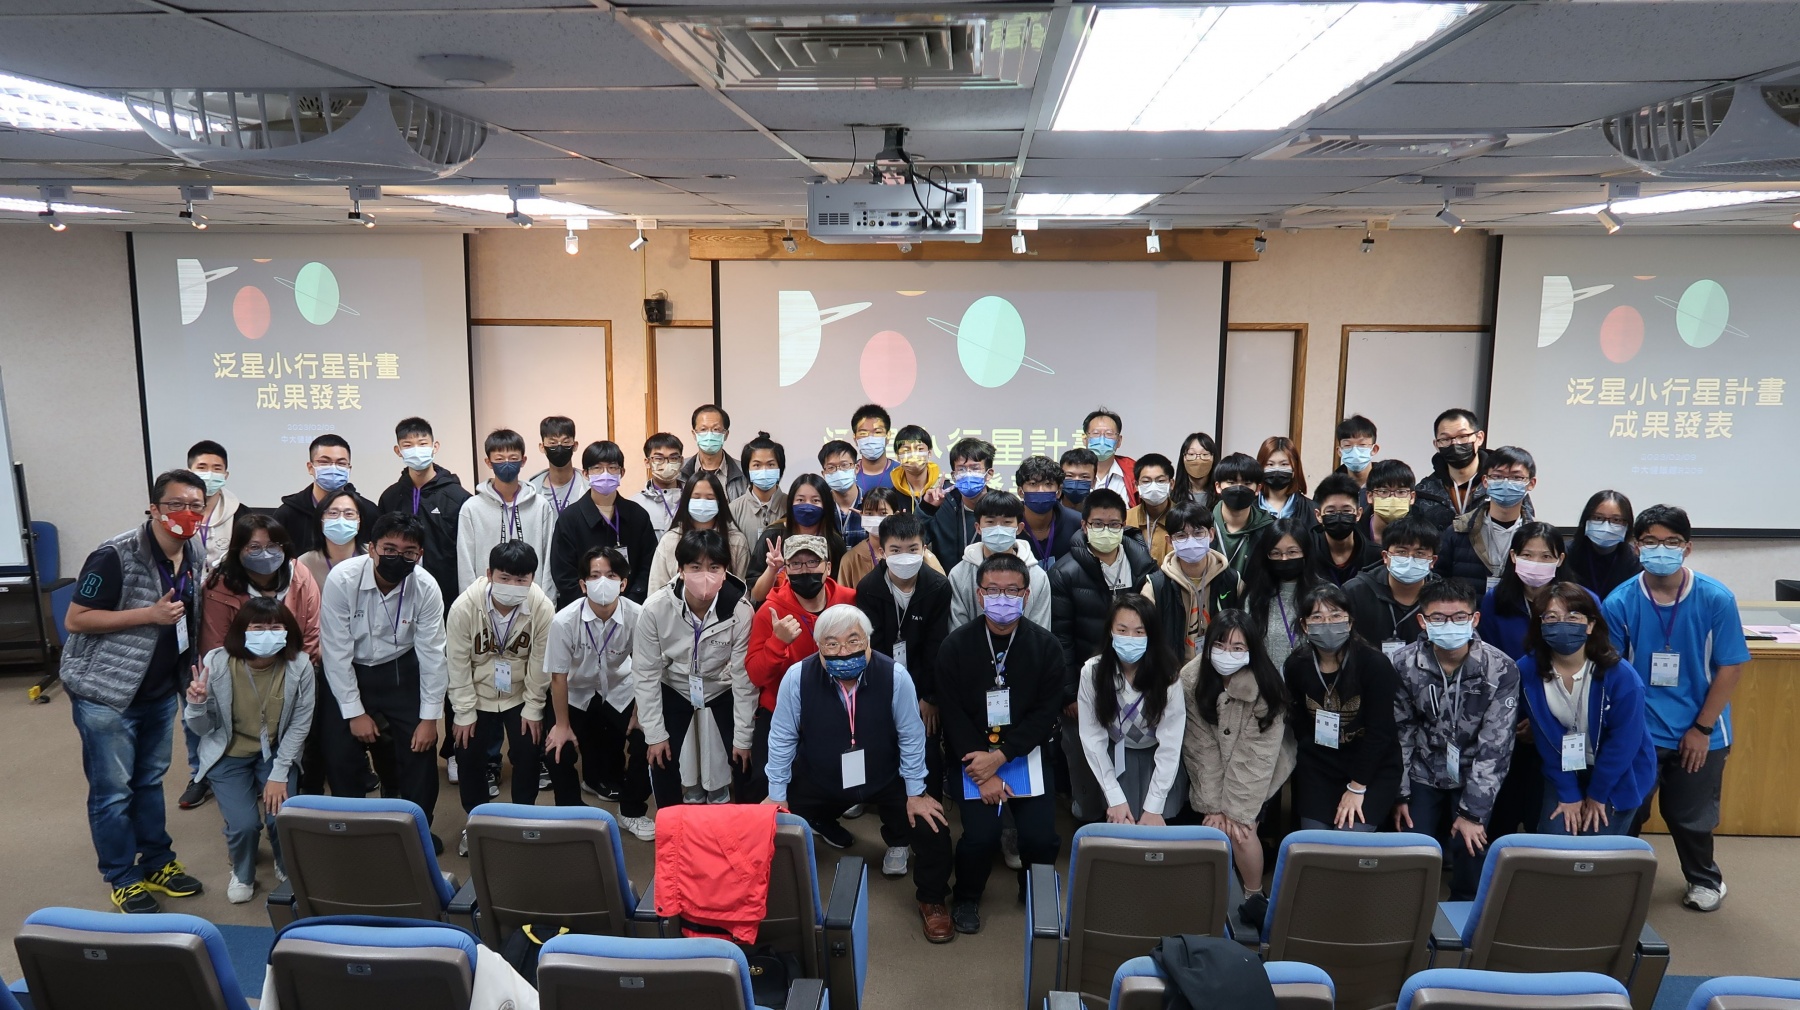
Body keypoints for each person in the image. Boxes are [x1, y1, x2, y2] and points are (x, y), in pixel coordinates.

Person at [62, 469, 210, 913]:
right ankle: (122, 877)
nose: (186, 513)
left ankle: (157, 862)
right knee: (113, 792)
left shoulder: (194, 549)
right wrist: (148, 614)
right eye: (176, 505)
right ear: (154, 509)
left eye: (196, 506)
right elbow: (76, 619)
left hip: (159, 690)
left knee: (149, 781)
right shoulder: (114, 555)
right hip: (106, 693)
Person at [764, 604, 955, 941]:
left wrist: (916, 793)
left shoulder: (896, 676)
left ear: (868, 640)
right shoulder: (797, 677)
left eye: (853, 641)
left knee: (933, 825)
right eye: (832, 643)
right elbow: (782, 737)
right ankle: (775, 904)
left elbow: (912, 737)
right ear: (818, 646)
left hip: (884, 777)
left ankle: (932, 899)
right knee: (767, 826)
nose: (843, 652)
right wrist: (777, 795)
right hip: (819, 778)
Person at [1604, 505, 1748, 912]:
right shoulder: (1620, 601)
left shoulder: (1715, 598)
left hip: (1701, 728)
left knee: (1690, 816)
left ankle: (1705, 881)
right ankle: (1616, 880)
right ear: (1636, 546)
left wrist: (1701, 729)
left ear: (1687, 548)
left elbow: (1731, 666)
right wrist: (1625, 732)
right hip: (1640, 730)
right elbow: (1611, 670)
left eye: (1671, 542)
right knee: (1627, 810)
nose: (1660, 549)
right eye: (1650, 541)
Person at [936, 553, 1065, 935]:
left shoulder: (1046, 647)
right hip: (971, 754)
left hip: (1025, 753)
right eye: (993, 590)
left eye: (1012, 591)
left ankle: (1034, 891)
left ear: (1026, 595)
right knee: (981, 836)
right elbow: (952, 714)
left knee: (1041, 836)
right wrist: (983, 769)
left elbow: (1045, 714)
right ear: (979, 595)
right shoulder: (955, 646)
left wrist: (1002, 757)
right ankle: (967, 896)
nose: (1002, 598)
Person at [317, 512, 449, 840]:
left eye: (409, 553)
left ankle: (416, 832)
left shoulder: (426, 586)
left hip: (401, 669)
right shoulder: (342, 579)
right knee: (340, 755)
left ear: (419, 555)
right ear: (372, 548)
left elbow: (433, 654)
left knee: (420, 751)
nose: (397, 558)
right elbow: (336, 651)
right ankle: (353, 833)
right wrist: (354, 712)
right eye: (389, 549)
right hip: (350, 670)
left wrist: (430, 719)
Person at [1391, 579, 1520, 901]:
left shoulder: (1501, 668)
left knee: (1470, 843)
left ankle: (1465, 908)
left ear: (1474, 619)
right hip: (1422, 767)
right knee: (1411, 846)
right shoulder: (1403, 663)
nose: (1449, 625)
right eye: (1438, 618)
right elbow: (1401, 733)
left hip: (1473, 770)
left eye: (1459, 617)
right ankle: (1408, 909)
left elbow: (1496, 747)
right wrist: (1400, 793)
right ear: (1422, 621)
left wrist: (1473, 813)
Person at [183, 596, 314, 903]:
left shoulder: (300, 665)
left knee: (281, 816)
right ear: (242, 630)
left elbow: (300, 724)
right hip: (228, 754)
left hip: (275, 752)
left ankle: (285, 862)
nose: (267, 634)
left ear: (287, 631)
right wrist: (196, 705)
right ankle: (242, 872)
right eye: (257, 627)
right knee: (244, 825)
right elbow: (202, 730)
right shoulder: (217, 663)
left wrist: (279, 773)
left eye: (275, 627)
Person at [190, 513, 320, 812]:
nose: (266, 553)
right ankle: (219, 775)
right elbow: (216, 643)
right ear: (239, 550)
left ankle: (293, 775)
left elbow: (312, 630)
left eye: (273, 545)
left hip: (292, 666)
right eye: (254, 547)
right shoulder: (220, 583)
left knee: (299, 723)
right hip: (240, 671)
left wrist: (300, 669)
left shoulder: (299, 574)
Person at [1050, 489, 1157, 821]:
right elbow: (1061, 638)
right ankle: (1088, 820)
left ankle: (1128, 818)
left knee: (1130, 761)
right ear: (1084, 526)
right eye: (1098, 524)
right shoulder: (1065, 572)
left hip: (1136, 679)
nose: (1106, 530)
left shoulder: (1144, 567)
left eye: (1113, 524)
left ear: (1124, 525)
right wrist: (1069, 693)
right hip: (1086, 681)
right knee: (1085, 759)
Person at [1184, 608, 1294, 926]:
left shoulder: (1267, 687)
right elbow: (1199, 747)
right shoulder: (1191, 679)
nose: (1226, 653)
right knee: (1213, 828)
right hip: (1213, 768)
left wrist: (1236, 812)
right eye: (1219, 645)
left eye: (1237, 647)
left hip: (1262, 770)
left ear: (1251, 650)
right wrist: (1214, 806)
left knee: (1242, 834)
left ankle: (1254, 895)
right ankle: (1211, 898)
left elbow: (1257, 755)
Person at [1519, 583, 1656, 836]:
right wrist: (1569, 793)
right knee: (1555, 842)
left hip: (1617, 772)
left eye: (1573, 617)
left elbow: (1623, 743)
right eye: (1551, 617)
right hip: (1563, 768)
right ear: (1540, 624)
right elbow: (1544, 738)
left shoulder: (1621, 677)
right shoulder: (1527, 670)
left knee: (1595, 847)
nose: (1562, 624)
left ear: (1591, 625)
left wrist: (1597, 794)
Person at [634, 530, 758, 808]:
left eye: (714, 567)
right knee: (660, 756)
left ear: (725, 572)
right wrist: (655, 735)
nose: (705, 575)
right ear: (680, 570)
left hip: (720, 684)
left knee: (744, 757)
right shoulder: (654, 609)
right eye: (695, 567)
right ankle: (671, 822)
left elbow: (743, 679)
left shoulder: (740, 611)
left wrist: (743, 739)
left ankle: (747, 822)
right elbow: (645, 674)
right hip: (675, 683)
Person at [445, 541, 555, 852]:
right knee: (467, 755)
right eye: (505, 578)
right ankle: (476, 823)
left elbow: (540, 662)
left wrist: (534, 707)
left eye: (521, 580)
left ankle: (523, 819)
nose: (513, 586)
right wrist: (463, 712)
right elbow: (457, 663)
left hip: (520, 693)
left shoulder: (542, 607)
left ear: (532, 578)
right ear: (489, 573)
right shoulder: (464, 607)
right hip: (476, 693)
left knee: (529, 752)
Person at [542, 547, 655, 841]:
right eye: (594, 576)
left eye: (611, 575)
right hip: (576, 692)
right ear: (583, 585)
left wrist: (641, 712)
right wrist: (562, 725)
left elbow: (645, 669)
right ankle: (571, 813)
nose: (602, 581)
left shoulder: (639, 616)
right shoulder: (564, 621)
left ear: (623, 583)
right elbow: (558, 677)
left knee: (649, 737)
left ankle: (631, 811)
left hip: (620, 687)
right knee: (557, 747)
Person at [746, 535, 859, 807]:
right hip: (782, 710)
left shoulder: (850, 601)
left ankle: (828, 812)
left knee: (839, 784)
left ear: (828, 567)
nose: (804, 570)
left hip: (837, 707)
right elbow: (756, 675)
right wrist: (778, 643)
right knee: (763, 785)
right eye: (795, 564)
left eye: (812, 562)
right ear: (785, 570)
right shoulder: (770, 611)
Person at [1284, 584, 1402, 832]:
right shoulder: (1296, 664)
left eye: (1336, 616)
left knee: (1347, 840)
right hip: (1320, 766)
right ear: (1305, 625)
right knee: (1314, 842)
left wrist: (1357, 787)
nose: (1327, 624)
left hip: (1371, 766)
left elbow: (1380, 732)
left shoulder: (1374, 665)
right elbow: (1299, 719)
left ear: (1349, 623)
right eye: (1317, 617)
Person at [856, 512, 954, 799]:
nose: (905, 557)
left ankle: (929, 803)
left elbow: (936, 645)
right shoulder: (869, 588)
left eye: (913, 549)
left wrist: (930, 698)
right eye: (896, 550)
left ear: (924, 548)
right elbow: (872, 646)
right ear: (882, 552)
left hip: (924, 685)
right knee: (885, 746)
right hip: (882, 682)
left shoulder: (937, 587)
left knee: (927, 747)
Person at [1078, 596, 1187, 827]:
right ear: (1110, 631)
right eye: (1122, 630)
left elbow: (1171, 743)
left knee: (1157, 829)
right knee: (1119, 827)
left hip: (1158, 760)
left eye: (1139, 632)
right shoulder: (1092, 672)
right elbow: (1092, 738)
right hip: (1112, 757)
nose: (1130, 638)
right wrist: (1114, 796)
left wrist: (1154, 805)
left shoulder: (1168, 675)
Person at [549, 440, 659, 607]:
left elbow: (648, 567)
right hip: (581, 610)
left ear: (622, 472)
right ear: (585, 473)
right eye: (597, 468)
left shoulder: (637, 515)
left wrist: (629, 604)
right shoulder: (569, 518)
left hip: (630, 609)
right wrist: (589, 607)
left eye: (612, 467)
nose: (605, 474)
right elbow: (563, 574)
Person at [376, 417, 471, 603]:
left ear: (435, 447)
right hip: (398, 590)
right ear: (398, 451)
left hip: (447, 592)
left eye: (422, 443)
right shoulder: (390, 497)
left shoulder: (458, 497)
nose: (416, 450)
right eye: (408, 445)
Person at [457, 428, 555, 594]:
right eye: (499, 459)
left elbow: (549, 560)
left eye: (513, 458)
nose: (507, 463)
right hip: (486, 599)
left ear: (523, 460)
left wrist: (546, 601)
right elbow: (465, 563)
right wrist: (471, 601)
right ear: (488, 462)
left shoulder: (540, 506)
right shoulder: (472, 508)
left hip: (532, 599)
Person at [1141, 501, 1242, 663]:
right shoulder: (1155, 586)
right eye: (1181, 536)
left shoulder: (1232, 580)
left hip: (1221, 668)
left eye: (1198, 533)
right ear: (1169, 541)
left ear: (1211, 534)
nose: (1191, 540)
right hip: (1173, 670)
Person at [1435, 445, 1539, 596]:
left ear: (1531, 483)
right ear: (1485, 481)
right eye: (1497, 476)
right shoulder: (1458, 530)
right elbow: (1439, 579)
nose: (1506, 483)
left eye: (1516, 477)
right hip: (1468, 610)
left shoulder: (1537, 537)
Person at [947, 490, 1052, 630]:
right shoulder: (959, 574)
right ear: (978, 527)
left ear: (1019, 528)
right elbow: (957, 631)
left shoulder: (1037, 576)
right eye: (990, 522)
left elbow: (1041, 631)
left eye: (1007, 522)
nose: (998, 529)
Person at [1344, 514, 1441, 656]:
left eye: (1420, 553)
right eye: (1401, 552)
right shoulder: (1355, 592)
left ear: (1433, 561)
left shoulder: (1443, 597)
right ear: (1385, 556)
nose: (1409, 559)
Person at [746, 474, 846, 604]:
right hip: (777, 610)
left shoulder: (834, 541)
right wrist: (772, 570)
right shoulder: (773, 535)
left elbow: (838, 589)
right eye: (800, 500)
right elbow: (757, 595)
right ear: (791, 502)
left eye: (815, 500)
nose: (807, 506)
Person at [646, 470, 752, 592]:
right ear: (686, 501)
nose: (703, 502)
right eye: (696, 497)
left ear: (719, 502)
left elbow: (742, 590)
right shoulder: (669, 540)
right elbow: (656, 589)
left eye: (710, 498)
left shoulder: (736, 541)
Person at [273, 434, 378, 556]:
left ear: (349, 469)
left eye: (341, 463)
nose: (333, 468)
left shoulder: (368, 512)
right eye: (324, 462)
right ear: (310, 467)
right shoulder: (287, 514)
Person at [1242, 517, 1324, 671]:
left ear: (1305, 552)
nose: (1284, 559)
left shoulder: (1324, 594)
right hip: (1266, 681)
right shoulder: (1255, 597)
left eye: (1292, 552)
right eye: (1276, 553)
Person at [1413, 408, 1493, 530]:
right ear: (1437, 445)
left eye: (1463, 436)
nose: (1455, 443)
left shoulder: (1500, 486)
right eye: (1445, 439)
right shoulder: (1424, 492)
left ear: (1479, 438)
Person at [838, 487, 934, 589]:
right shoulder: (851, 559)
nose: (875, 518)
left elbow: (938, 586)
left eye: (883, 513)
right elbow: (843, 595)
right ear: (862, 515)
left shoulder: (917, 553)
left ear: (895, 514)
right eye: (869, 513)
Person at [926, 437, 996, 570]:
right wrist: (927, 508)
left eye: (975, 468)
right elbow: (915, 540)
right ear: (954, 476)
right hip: (945, 580)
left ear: (989, 474)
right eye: (961, 469)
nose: (968, 474)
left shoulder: (1001, 507)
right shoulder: (942, 506)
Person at [1558, 490, 1642, 599]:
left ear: (1627, 525)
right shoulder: (1565, 553)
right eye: (1598, 518)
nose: (1606, 526)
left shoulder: (1635, 561)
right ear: (1586, 520)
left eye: (1616, 520)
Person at [187, 440, 249, 576]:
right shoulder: (174, 512)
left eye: (217, 469)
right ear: (189, 473)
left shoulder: (242, 514)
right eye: (202, 467)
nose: (209, 474)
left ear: (225, 475)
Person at [1015, 455, 1083, 571]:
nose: (1041, 490)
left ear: (1058, 492)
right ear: (1020, 492)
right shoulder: (1008, 525)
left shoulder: (1077, 523)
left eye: (1048, 484)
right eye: (1033, 484)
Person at [1311, 473, 1381, 587]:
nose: (1338, 516)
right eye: (1331, 511)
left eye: (1346, 511)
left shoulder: (1376, 557)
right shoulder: (1307, 553)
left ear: (1358, 514)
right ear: (1318, 515)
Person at [1211, 453, 1273, 574]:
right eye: (1231, 482)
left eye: (1247, 483)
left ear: (1258, 489)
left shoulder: (1270, 529)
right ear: (1218, 487)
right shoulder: (1204, 526)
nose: (1239, 488)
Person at [297, 490, 367, 589]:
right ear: (321, 519)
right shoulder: (304, 564)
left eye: (349, 514)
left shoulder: (373, 556)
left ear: (359, 519)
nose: (341, 520)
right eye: (333, 513)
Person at [681, 403, 749, 500]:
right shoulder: (680, 471)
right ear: (694, 434)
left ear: (726, 434)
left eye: (716, 429)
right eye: (703, 429)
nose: (709, 435)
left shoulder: (743, 472)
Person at [730, 431, 787, 540]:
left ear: (780, 468)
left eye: (771, 464)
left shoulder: (791, 506)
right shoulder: (734, 510)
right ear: (747, 469)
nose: (764, 470)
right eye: (757, 465)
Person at [527, 416, 585, 518]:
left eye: (565, 442)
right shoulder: (532, 490)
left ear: (575, 445)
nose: (559, 447)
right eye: (552, 443)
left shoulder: (588, 485)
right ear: (542, 447)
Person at [1126, 453, 1177, 564]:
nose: (1153, 487)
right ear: (1136, 485)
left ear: (1171, 483)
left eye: (1160, 481)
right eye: (1146, 481)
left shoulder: (1184, 518)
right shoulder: (1126, 519)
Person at [635, 432, 687, 538]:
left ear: (681, 461)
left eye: (673, 458)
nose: (666, 463)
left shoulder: (694, 498)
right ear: (647, 462)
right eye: (659, 458)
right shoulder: (635, 504)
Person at [819, 439, 868, 547]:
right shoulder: (821, 507)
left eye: (844, 465)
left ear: (856, 468)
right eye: (831, 468)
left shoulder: (871, 505)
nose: (839, 471)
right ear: (824, 474)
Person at [1082, 408, 1136, 505]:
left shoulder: (1133, 471)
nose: (1102, 440)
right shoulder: (1073, 472)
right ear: (1085, 440)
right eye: (1096, 433)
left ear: (1119, 441)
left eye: (1109, 434)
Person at [1255, 436, 1313, 521]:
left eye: (1284, 464)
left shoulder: (1311, 509)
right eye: (1270, 464)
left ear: (1294, 469)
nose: (1277, 469)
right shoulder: (1247, 507)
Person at [851, 403, 899, 501]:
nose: (870, 439)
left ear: (888, 436)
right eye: (863, 433)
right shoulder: (848, 475)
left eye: (877, 432)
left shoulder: (901, 472)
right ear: (855, 438)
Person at [1366, 460, 1422, 543]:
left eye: (1401, 492)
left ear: (1412, 497)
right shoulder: (1355, 534)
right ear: (1370, 496)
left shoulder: (1422, 537)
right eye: (1384, 492)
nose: (1392, 498)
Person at [890, 425, 941, 514]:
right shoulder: (891, 497)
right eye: (906, 451)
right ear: (898, 456)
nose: (913, 455)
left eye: (920, 449)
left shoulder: (945, 491)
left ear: (929, 453)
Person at [1332, 415, 1380, 504]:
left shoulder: (1387, 486)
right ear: (1339, 451)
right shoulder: (1330, 488)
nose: (1355, 451)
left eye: (1362, 445)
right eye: (1347, 445)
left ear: (1374, 449)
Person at [1171, 432, 1219, 508]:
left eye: (1205, 454)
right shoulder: (1172, 496)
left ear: (1213, 457)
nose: (1198, 459)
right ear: (1183, 458)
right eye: (1191, 454)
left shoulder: (1222, 494)